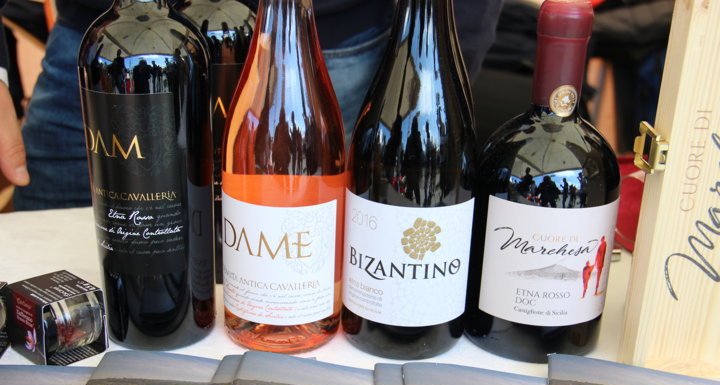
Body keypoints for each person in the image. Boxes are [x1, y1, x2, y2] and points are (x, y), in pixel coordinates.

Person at [0, 0, 502, 211]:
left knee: (292, 281)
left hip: (313, 54)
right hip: (108, 55)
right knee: (54, 293)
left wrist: (436, 76)